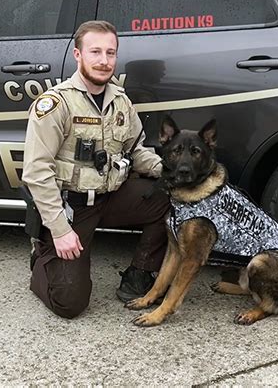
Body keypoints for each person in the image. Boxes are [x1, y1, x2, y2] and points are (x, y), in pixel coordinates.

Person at [22, 20, 169, 318]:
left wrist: (171, 171)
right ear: (78, 55)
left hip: (112, 195)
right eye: (95, 52)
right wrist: (60, 230)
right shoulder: (56, 104)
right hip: (74, 207)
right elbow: (36, 173)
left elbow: (136, 150)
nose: (104, 61)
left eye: (110, 53)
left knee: (169, 196)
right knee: (70, 304)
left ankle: (139, 273)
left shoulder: (120, 101)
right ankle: (41, 257)